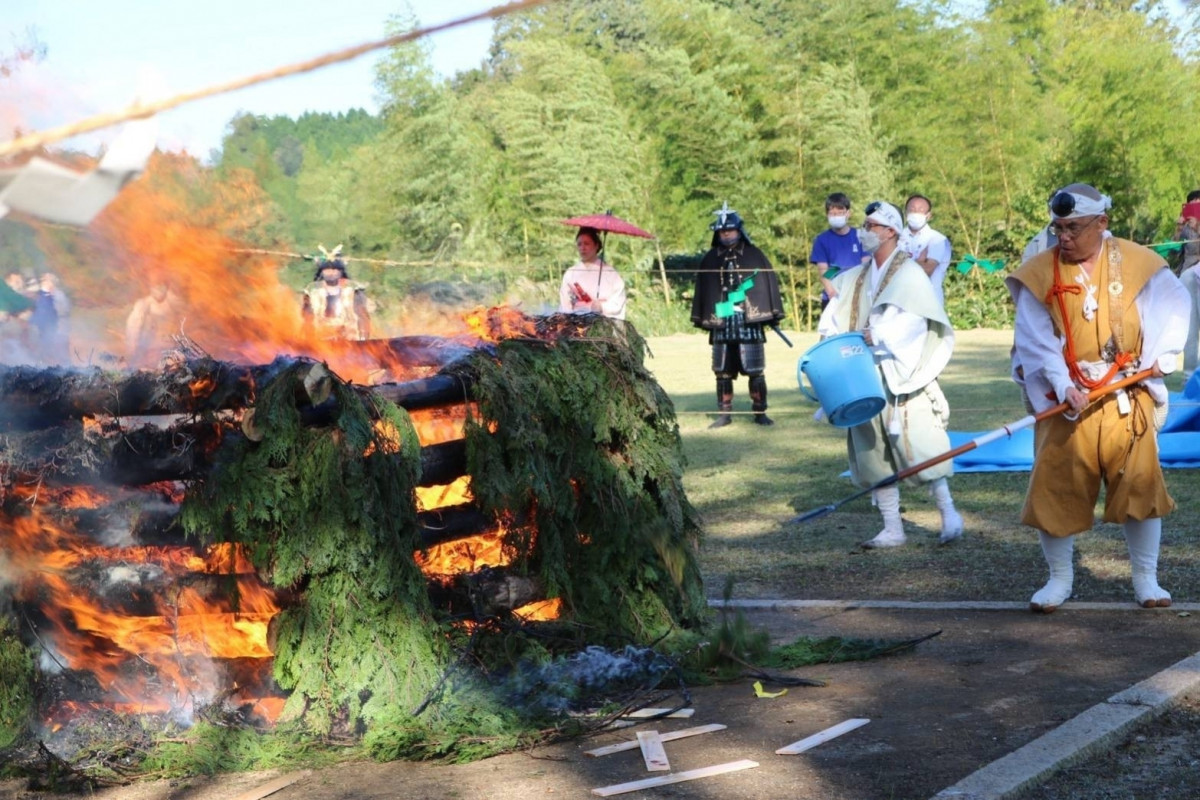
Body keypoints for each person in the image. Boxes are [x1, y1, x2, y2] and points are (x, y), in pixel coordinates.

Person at [1007, 183, 1190, 612]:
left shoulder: (1140, 262)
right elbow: (1034, 337)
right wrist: (1062, 382)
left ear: (1101, 223)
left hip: (1126, 392)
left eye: (1073, 228)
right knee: (1055, 487)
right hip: (1066, 399)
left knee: (1140, 487)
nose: (1063, 238)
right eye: (1058, 228)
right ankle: (1059, 579)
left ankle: (1147, 579)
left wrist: (1162, 353)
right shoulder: (1041, 270)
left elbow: (1175, 307)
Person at [817, 200, 963, 547]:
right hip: (862, 373)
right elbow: (834, 315)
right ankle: (892, 527)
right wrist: (833, 339)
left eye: (870, 226)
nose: (863, 231)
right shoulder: (857, 276)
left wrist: (879, 334)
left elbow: (915, 318)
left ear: (889, 232)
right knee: (871, 448)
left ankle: (949, 513)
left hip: (901, 369)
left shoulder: (910, 273)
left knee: (920, 443)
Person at [691, 202, 786, 427]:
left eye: (730, 230)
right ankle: (724, 415)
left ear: (739, 230)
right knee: (722, 371)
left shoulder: (755, 255)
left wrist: (767, 314)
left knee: (755, 369)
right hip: (722, 322)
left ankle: (760, 412)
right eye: (722, 231)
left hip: (748, 320)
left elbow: (765, 285)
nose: (726, 233)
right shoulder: (710, 258)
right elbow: (705, 290)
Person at [301, 246, 372, 341]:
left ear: (341, 271)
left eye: (335, 269)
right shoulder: (313, 290)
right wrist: (308, 340)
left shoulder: (351, 288)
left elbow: (362, 316)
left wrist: (364, 340)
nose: (331, 272)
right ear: (321, 271)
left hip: (350, 339)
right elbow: (307, 318)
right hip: (320, 339)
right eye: (327, 269)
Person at [809, 192, 865, 309]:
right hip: (832, 298)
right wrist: (832, 292)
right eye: (833, 213)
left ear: (848, 213)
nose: (836, 216)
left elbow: (866, 264)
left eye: (840, 213)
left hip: (858, 294)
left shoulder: (860, 236)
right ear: (827, 215)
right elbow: (823, 270)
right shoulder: (821, 240)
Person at [558, 227, 627, 320]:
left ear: (596, 245)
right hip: (576, 324)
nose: (583, 248)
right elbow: (565, 304)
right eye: (579, 244)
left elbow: (618, 301)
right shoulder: (571, 273)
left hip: (603, 324)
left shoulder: (610, 274)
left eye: (587, 244)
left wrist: (602, 306)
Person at [898, 194, 953, 306]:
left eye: (920, 210)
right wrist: (918, 261)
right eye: (912, 210)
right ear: (906, 213)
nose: (916, 213)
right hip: (899, 299)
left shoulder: (937, 239)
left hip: (929, 300)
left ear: (928, 215)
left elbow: (927, 270)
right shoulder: (896, 236)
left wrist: (900, 261)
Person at [125, 282, 185, 368]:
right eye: (157, 287)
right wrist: (133, 347)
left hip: (168, 348)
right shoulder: (144, 304)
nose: (160, 290)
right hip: (150, 349)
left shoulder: (172, 302)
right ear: (151, 288)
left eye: (162, 287)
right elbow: (133, 328)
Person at [1178, 197, 1200, 380]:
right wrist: (1180, 228)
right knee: (1190, 332)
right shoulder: (1186, 227)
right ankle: (1189, 378)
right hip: (1189, 277)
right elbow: (1172, 249)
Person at [28, 272, 70, 364]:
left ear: (52, 282)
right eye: (43, 280)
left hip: (56, 328)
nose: (43, 282)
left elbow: (63, 311)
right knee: (39, 351)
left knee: (58, 353)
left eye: (45, 280)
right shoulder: (38, 295)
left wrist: (51, 298)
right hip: (40, 329)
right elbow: (34, 311)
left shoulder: (58, 295)